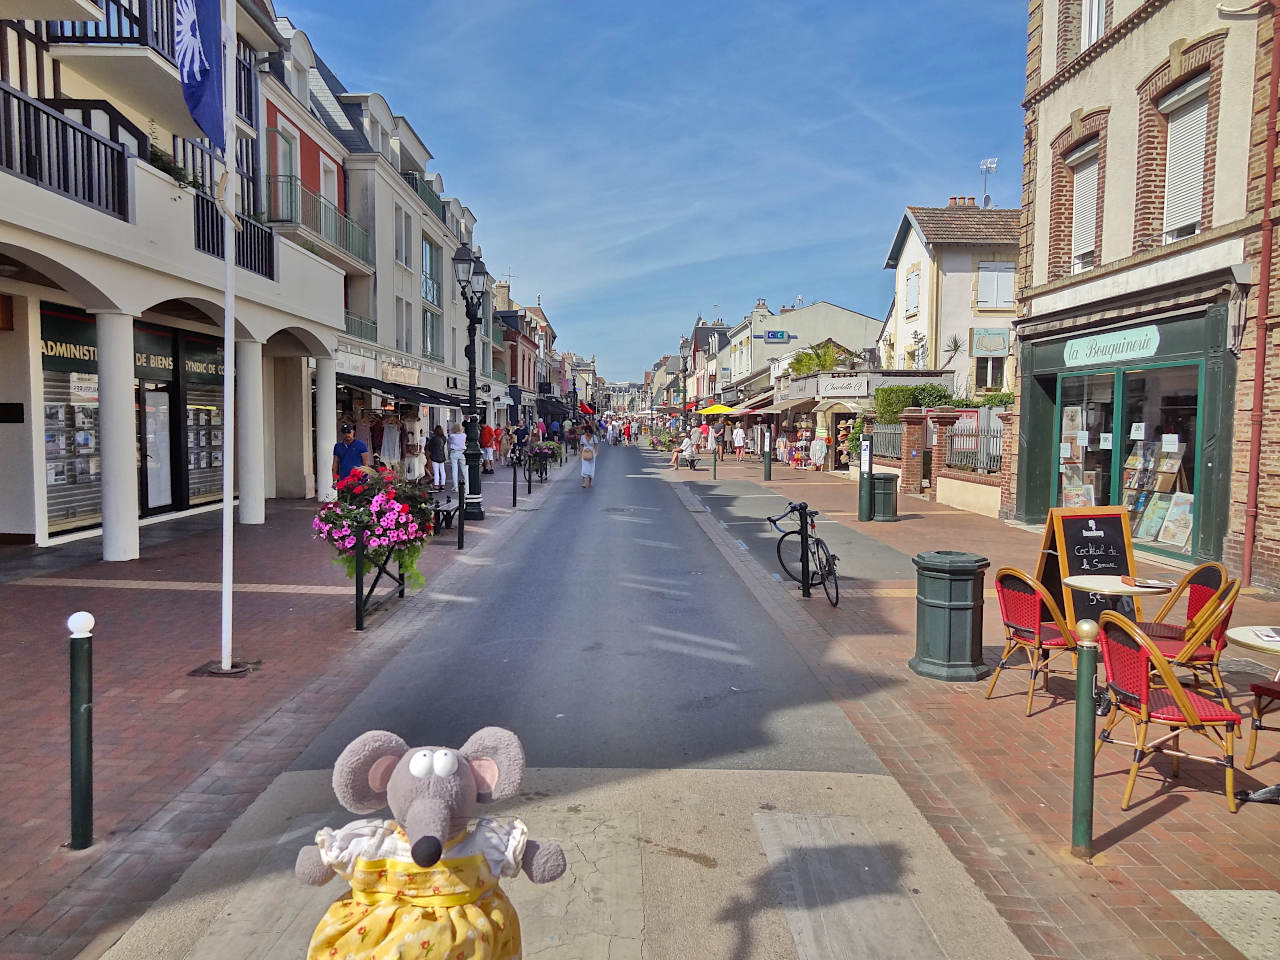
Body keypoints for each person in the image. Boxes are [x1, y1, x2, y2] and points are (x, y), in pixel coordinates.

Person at [427, 424, 448, 491]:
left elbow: (429, 447)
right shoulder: (444, 438)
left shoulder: (433, 439)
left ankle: (436, 485)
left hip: (434, 456)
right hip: (442, 455)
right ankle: (443, 485)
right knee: (442, 470)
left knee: (436, 471)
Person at [448, 421, 467, 492]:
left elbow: (450, 442)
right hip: (462, 452)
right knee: (464, 469)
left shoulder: (452, 436)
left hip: (454, 452)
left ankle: (455, 487)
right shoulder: (464, 435)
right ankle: (466, 485)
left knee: (454, 470)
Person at [580, 424, 598, 489]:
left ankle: (590, 482)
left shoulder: (594, 437)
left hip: (592, 453)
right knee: (584, 467)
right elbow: (581, 445)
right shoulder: (582, 437)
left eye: (588, 431)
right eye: (586, 431)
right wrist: (580, 454)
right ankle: (584, 482)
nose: (587, 433)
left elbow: (596, 445)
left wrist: (596, 453)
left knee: (591, 467)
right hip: (584, 453)